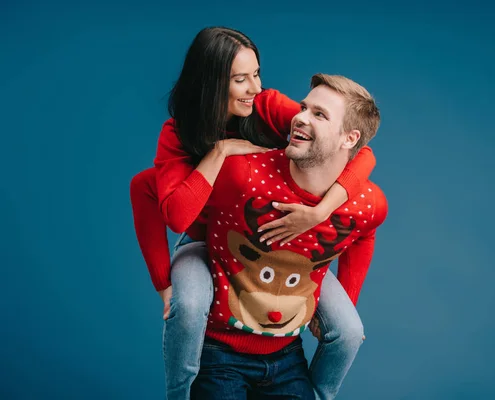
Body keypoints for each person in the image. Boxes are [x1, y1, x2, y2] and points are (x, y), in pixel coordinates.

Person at [129, 27, 377, 399]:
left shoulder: (268, 107)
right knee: (190, 305)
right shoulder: (179, 135)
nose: (255, 88)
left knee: (347, 329)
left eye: (257, 74)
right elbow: (173, 214)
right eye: (241, 79)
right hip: (207, 239)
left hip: (286, 242)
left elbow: (360, 150)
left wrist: (320, 212)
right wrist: (219, 152)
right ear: (211, 82)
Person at [189, 73, 388, 399]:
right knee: (186, 303)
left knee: (350, 331)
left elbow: (364, 228)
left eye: (319, 114)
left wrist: (346, 301)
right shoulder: (243, 172)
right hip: (220, 351)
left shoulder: (367, 202)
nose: (300, 117)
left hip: (286, 355)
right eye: (304, 107)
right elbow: (179, 207)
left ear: (349, 138)